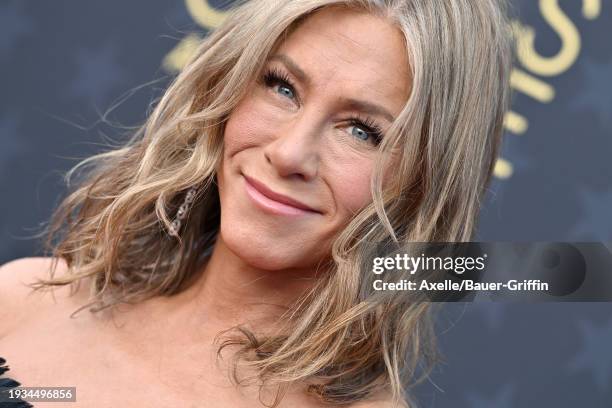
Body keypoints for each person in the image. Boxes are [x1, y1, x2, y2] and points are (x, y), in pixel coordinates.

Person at [0, 0, 512, 406]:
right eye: (282, 87)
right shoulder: (22, 300)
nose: (290, 152)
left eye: (361, 131)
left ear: (423, 185)